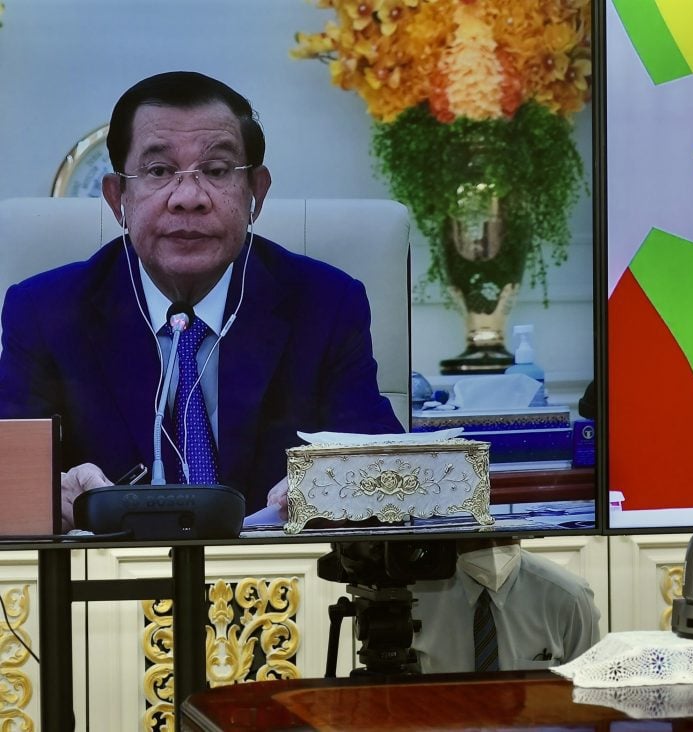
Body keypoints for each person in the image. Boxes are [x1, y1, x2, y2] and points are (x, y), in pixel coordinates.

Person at [0, 72, 402, 527]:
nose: (188, 198)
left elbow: (388, 467)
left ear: (256, 192)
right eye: (158, 171)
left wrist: (339, 484)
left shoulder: (325, 305)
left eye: (215, 171)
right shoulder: (44, 313)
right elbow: (9, 478)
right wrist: (52, 494)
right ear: (117, 199)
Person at [410, 538, 601, 672]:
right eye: (478, 535)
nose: (492, 546)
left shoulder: (569, 597)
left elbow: (587, 691)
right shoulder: (415, 595)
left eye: (505, 534)